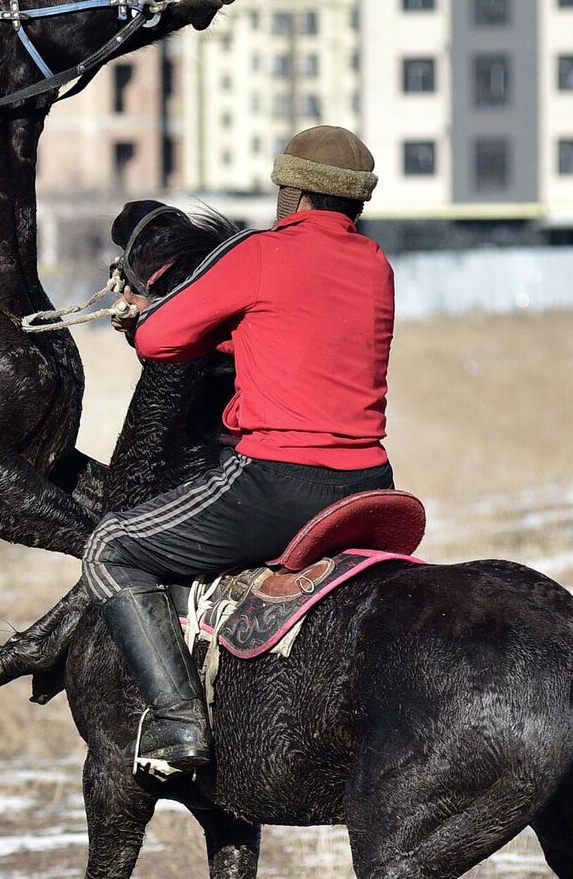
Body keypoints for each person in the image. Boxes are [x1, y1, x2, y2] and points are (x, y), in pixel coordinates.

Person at [88, 126, 397, 777]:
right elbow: (295, 342)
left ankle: (177, 724)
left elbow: (160, 341)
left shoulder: (262, 252)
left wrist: (141, 314)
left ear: (295, 192)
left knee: (110, 549)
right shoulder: (374, 264)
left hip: (278, 484)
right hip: (371, 483)